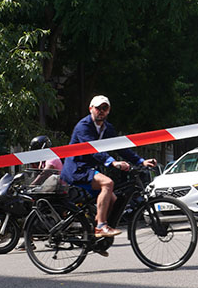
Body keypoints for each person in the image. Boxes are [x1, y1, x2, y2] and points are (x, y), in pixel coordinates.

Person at [61, 95, 156, 239]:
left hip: (89, 169)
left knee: (113, 200)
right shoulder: (83, 126)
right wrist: (113, 162)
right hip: (77, 169)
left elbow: (121, 148)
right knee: (108, 183)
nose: (101, 111)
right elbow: (93, 149)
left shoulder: (107, 128)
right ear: (90, 109)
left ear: (109, 110)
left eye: (104, 108)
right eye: (98, 108)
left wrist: (141, 161)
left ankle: (96, 237)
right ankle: (100, 226)